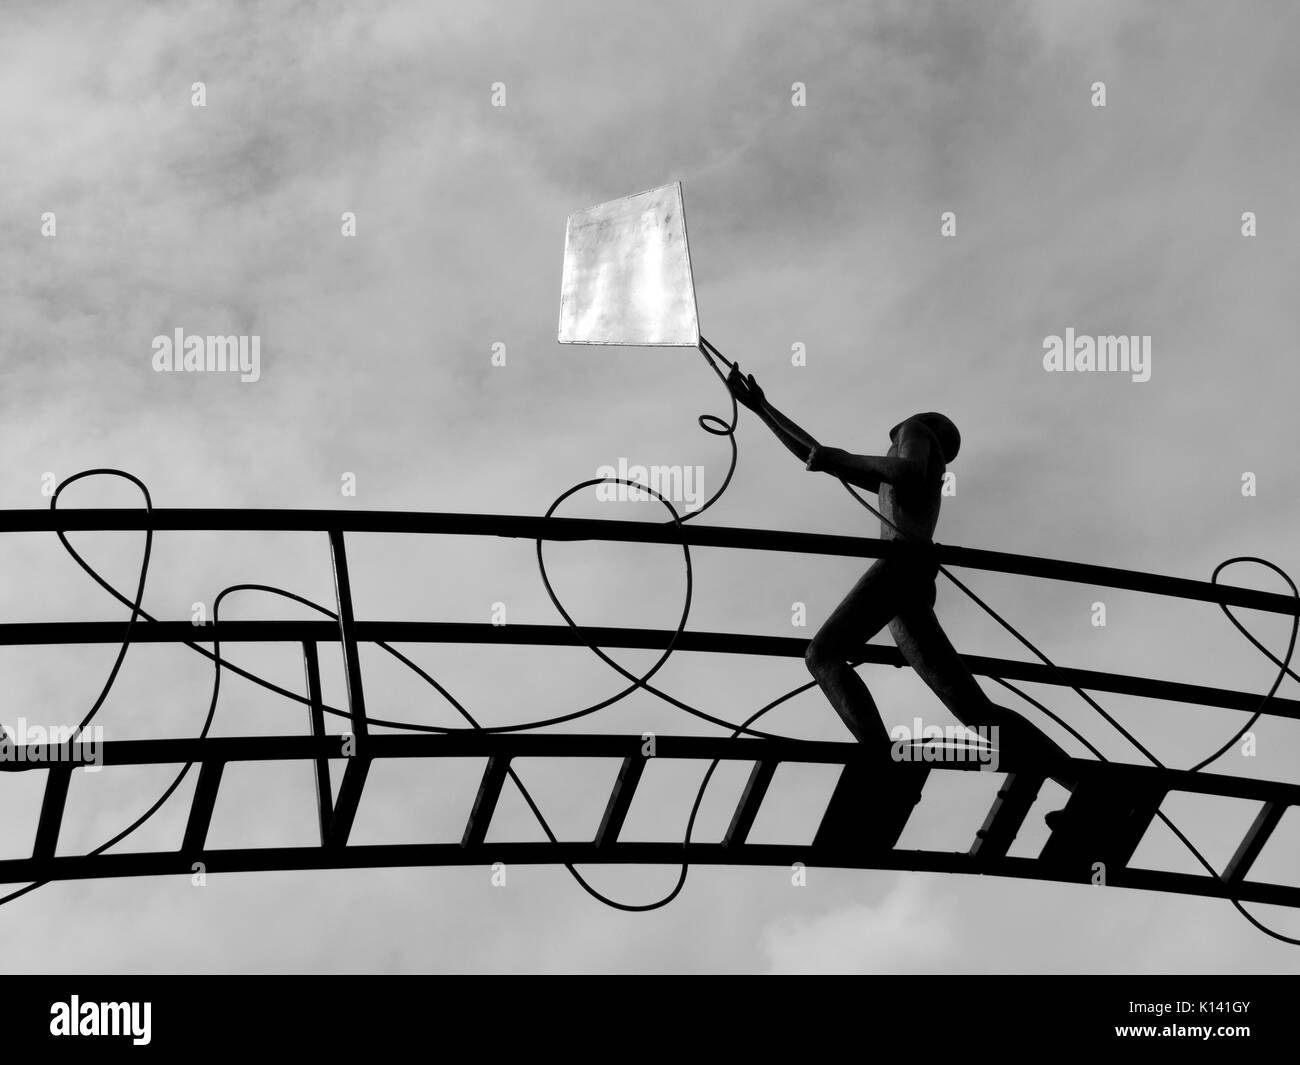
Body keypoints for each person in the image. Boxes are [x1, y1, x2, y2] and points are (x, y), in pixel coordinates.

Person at [727, 364, 1068, 770]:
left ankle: (880, 764)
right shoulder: (896, 473)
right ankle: (1080, 783)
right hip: (910, 578)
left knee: (822, 655)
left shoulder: (916, 432)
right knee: (973, 709)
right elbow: (816, 453)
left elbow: (902, 470)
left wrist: (843, 456)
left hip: (902, 567)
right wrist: (763, 408)